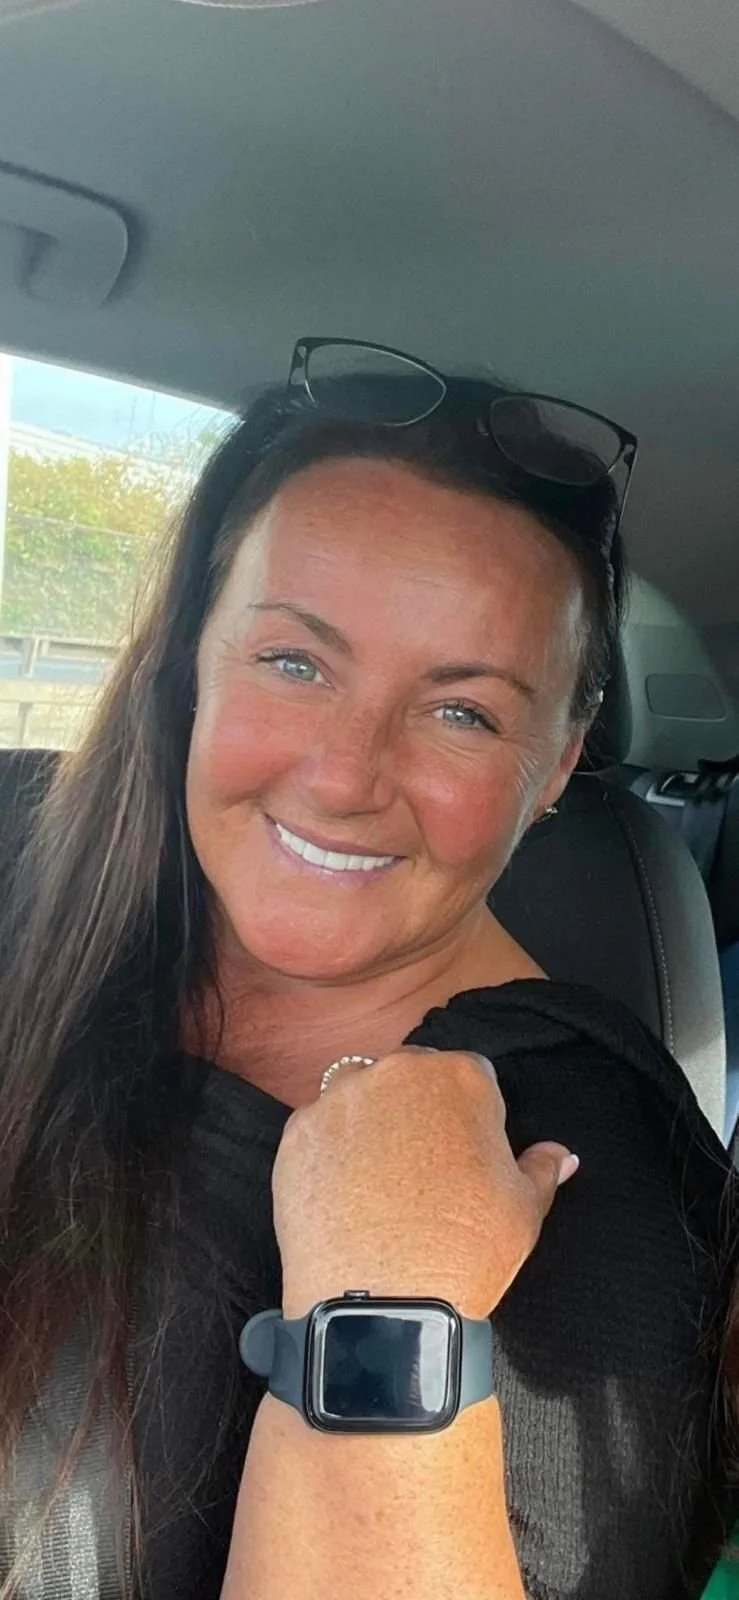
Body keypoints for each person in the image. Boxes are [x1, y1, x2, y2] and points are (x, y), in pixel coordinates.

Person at [0, 337, 735, 1600]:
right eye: (295, 661)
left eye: (464, 710)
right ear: (191, 658)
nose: (344, 777)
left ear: (555, 766)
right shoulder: (42, 905)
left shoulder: (589, 1176)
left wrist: (383, 1311)